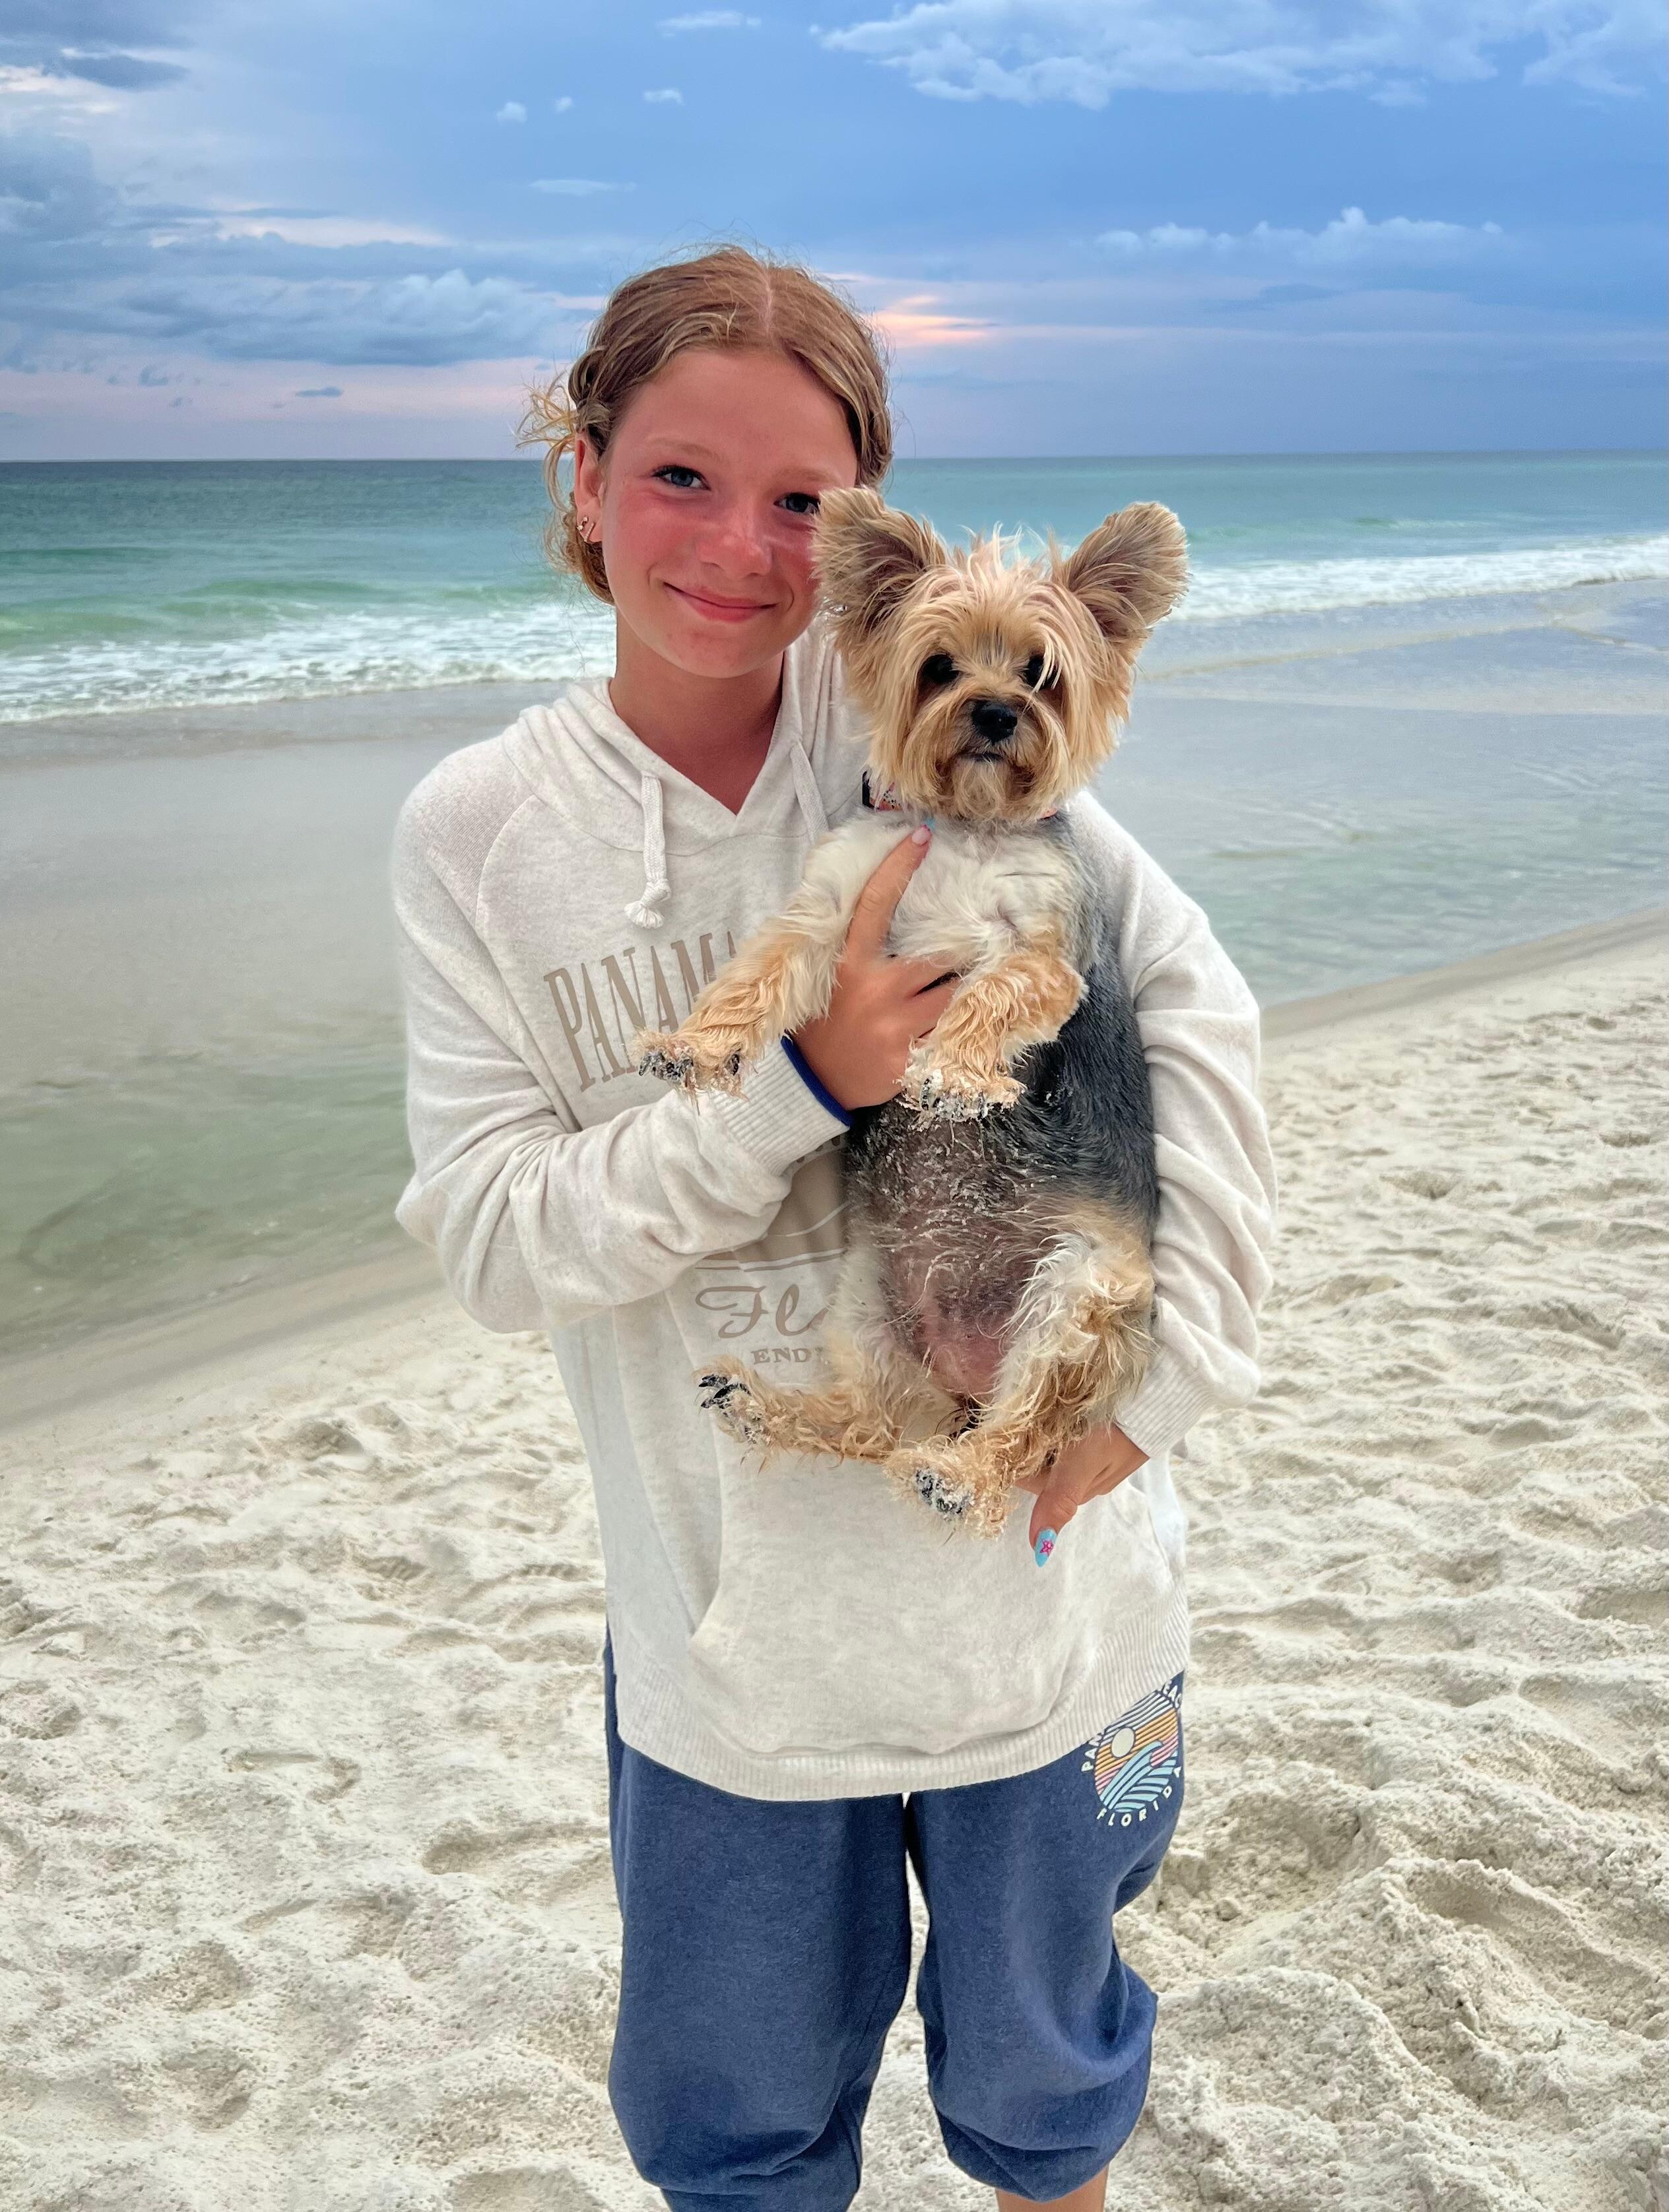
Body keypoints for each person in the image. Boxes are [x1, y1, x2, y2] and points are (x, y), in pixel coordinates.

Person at [390, 245, 1278, 2212]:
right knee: (739, 2133)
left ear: (860, 523)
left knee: (1051, 2097)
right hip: (730, 1646)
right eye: (679, 478)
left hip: (1046, 1599)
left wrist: (1170, 1380)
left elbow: (1199, 1015)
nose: (734, 547)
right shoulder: (477, 833)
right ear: (582, 472)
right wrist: (793, 1094)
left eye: (800, 498)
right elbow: (482, 1240)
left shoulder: (907, 710)